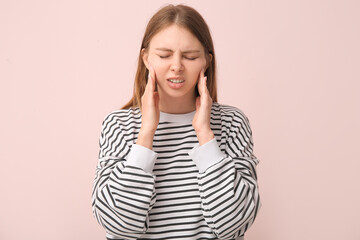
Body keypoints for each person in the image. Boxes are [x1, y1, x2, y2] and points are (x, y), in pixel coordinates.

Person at [91, 4, 261, 240]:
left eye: (190, 57)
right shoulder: (119, 126)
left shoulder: (232, 123)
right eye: (164, 55)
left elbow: (233, 223)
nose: (177, 66)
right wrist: (146, 134)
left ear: (207, 61)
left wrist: (205, 134)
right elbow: (119, 224)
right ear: (145, 58)